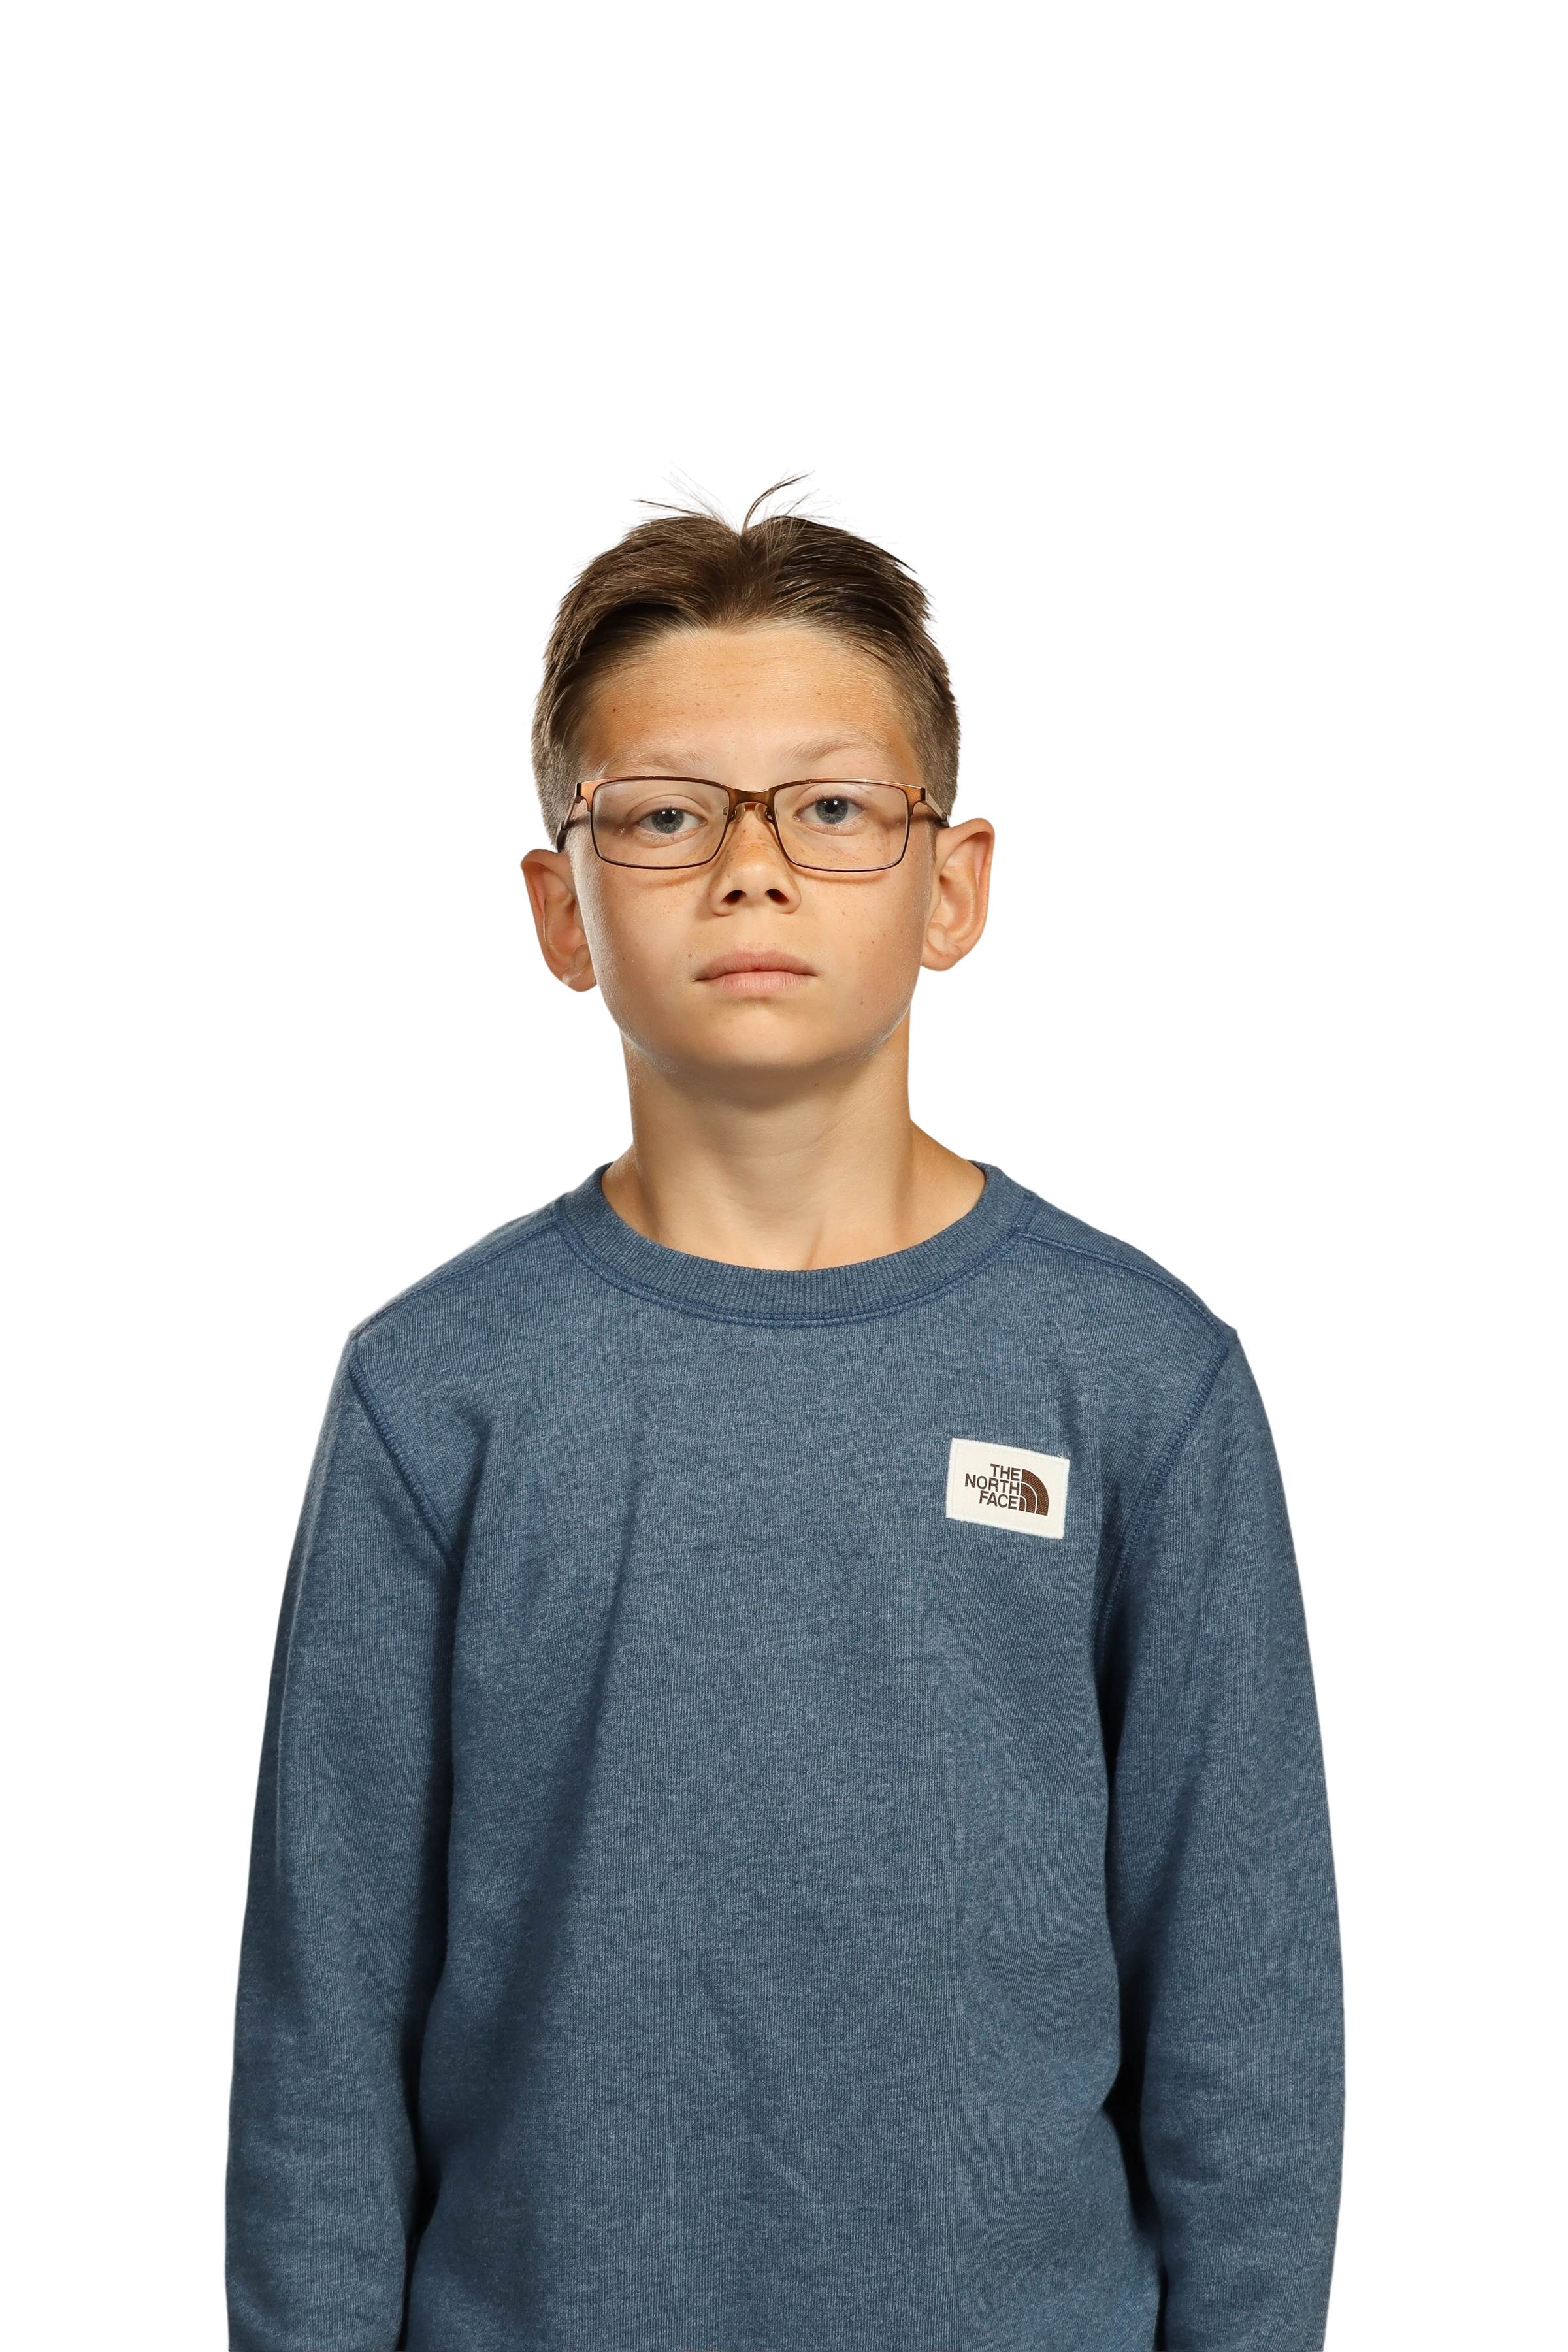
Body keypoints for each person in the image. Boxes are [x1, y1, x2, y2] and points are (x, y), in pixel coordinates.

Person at [221, 461, 1348, 2350]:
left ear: (952, 882)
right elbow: (322, 2037)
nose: (751, 867)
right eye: (664, 814)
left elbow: (1246, 2028)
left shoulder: (1145, 1376)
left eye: (830, 806)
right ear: (559, 908)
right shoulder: (432, 1389)